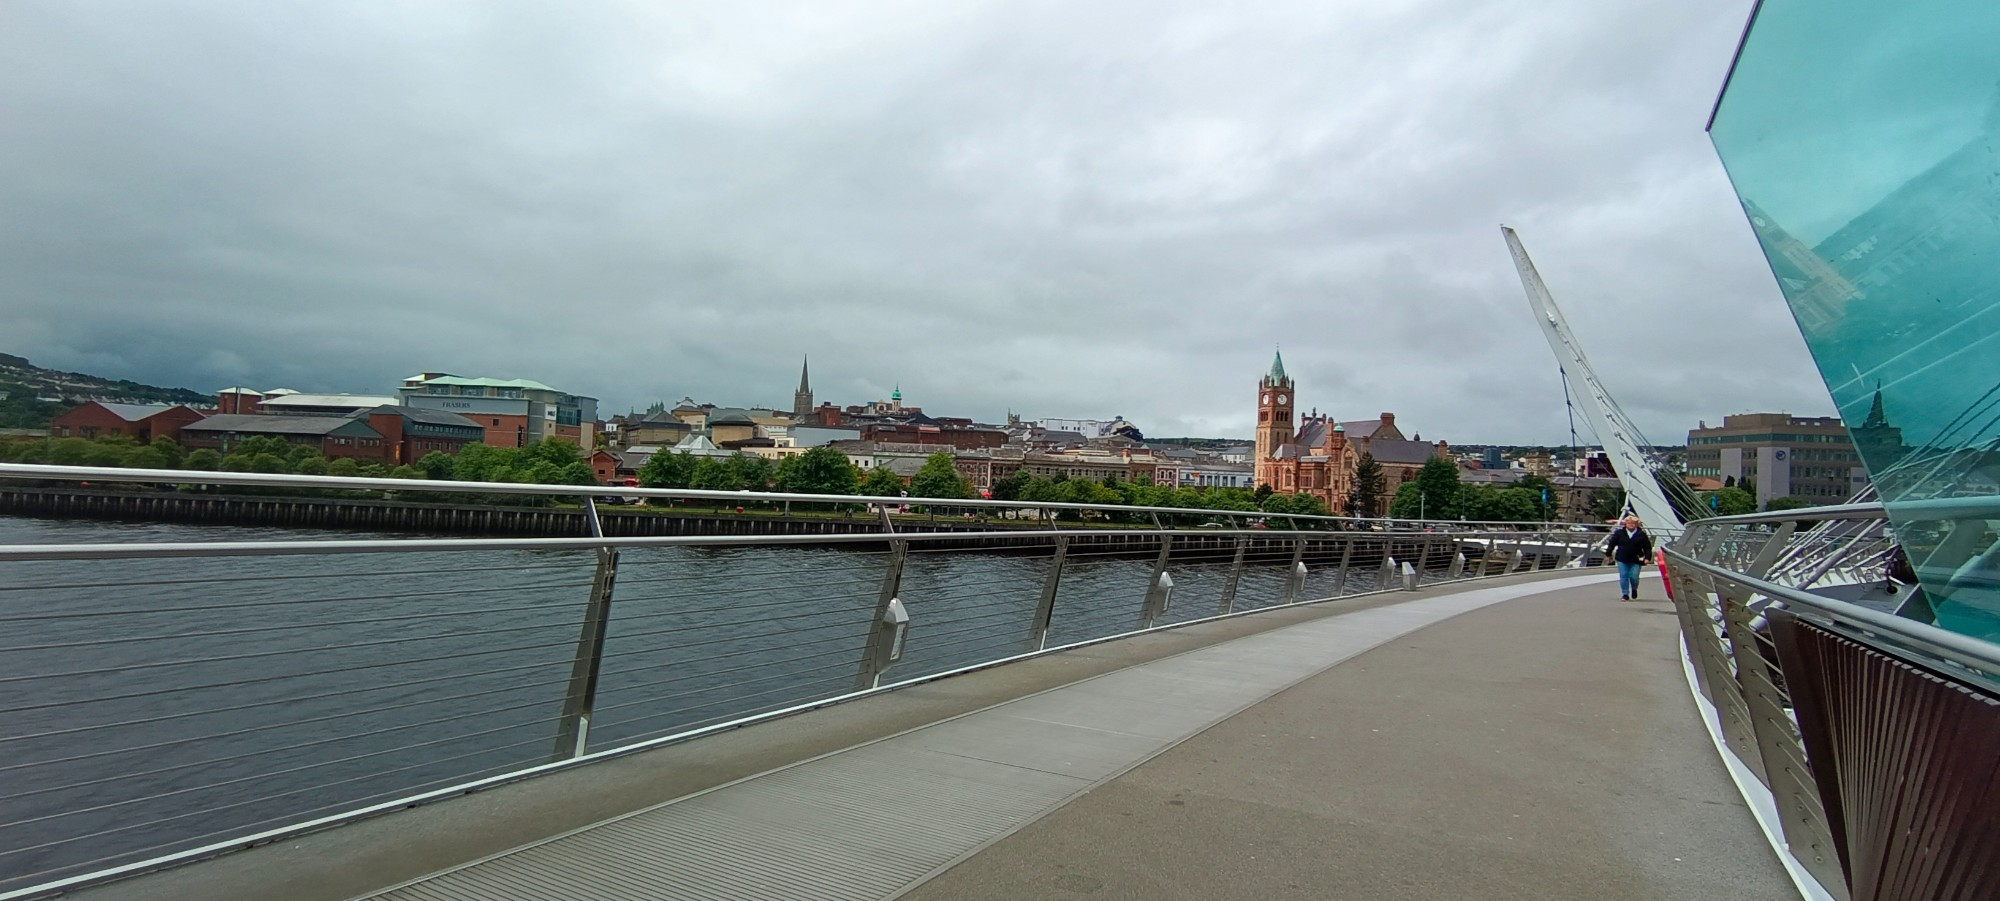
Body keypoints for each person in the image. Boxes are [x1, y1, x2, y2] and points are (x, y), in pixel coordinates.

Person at [1604, 515, 1654, 601]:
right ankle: (1625, 594)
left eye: (1633, 523)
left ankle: (1634, 589)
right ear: (1626, 524)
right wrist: (1608, 553)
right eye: (1629, 523)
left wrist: (1647, 558)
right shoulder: (1619, 533)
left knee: (1634, 577)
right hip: (1622, 557)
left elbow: (1647, 547)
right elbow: (1612, 543)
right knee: (1624, 576)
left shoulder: (1641, 534)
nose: (1631, 525)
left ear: (1636, 524)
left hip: (1636, 558)